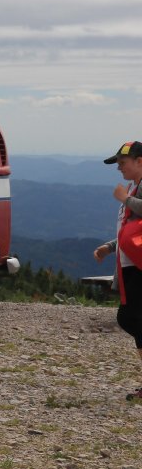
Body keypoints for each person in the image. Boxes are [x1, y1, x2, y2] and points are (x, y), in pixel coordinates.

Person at [93, 141, 142, 400]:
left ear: (140, 161)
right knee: (133, 319)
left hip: (139, 265)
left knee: (130, 318)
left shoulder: (133, 191)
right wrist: (110, 247)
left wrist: (126, 199)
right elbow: (131, 229)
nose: (119, 168)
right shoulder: (135, 187)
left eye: (122, 163)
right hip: (131, 264)